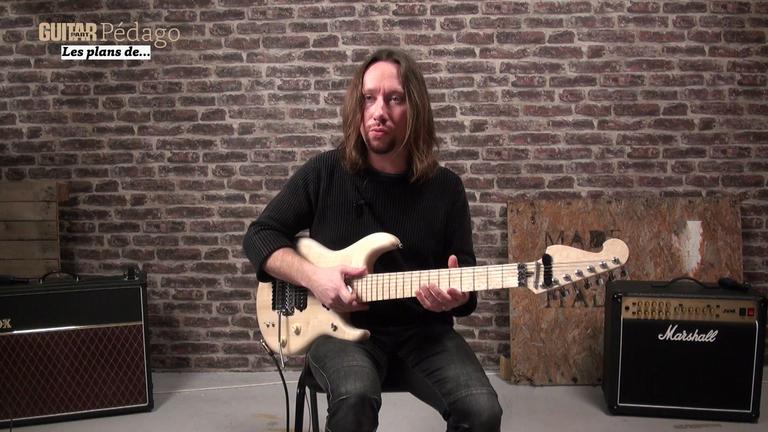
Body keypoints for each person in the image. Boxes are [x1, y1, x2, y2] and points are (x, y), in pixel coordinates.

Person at [243, 48, 502, 432]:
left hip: (424, 334)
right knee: (354, 398)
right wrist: (315, 278)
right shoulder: (325, 172)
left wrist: (458, 297)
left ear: (415, 109)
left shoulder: (446, 188)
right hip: (338, 331)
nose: (379, 111)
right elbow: (260, 235)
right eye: (369, 98)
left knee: (482, 411)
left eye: (394, 98)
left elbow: (464, 274)